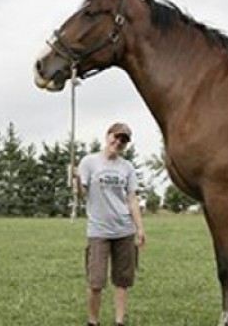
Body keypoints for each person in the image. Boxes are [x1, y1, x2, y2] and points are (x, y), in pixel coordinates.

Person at [74, 122, 146, 326]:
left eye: (124, 140)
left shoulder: (127, 167)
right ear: (108, 135)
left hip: (124, 230)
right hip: (98, 231)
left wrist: (140, 228)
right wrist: (77, 180)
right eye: (116, 137)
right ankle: (93, 321)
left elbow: (132, 199)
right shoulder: (89, 162)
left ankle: (119, 322)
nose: (119, 142)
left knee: (122, 281)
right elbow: (81, 194)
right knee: (96, 282)